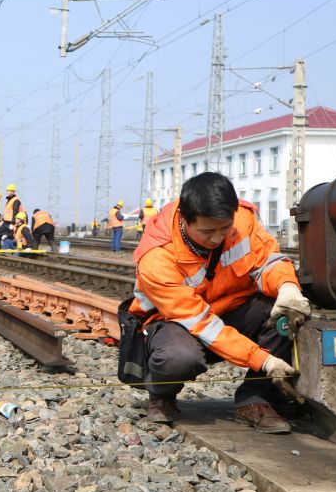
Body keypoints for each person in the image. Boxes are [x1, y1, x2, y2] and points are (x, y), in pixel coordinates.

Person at [128, 172, 311, 433]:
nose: (217, 238)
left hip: (231, 310)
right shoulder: (157, 257)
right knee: (179, 357)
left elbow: (266, 262)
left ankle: (255, 398)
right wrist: (263, 360)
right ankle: (162, 395)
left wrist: (287, 287)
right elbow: (202, 323)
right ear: (184, 219)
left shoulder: (244, 220)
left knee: (285, 314)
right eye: (207, 231)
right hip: (175, 322)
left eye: (224, 229)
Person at [0, 184, 24, 249]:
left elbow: (15, 213)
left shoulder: (15, 200)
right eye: (7, 191)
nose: (7, 192)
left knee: (6, 236)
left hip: (10, 223)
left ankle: (12, 250)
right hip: (6, 223)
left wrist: (13, 224)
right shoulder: (9, 200)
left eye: (9, 191)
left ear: (13, 192)